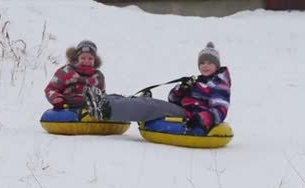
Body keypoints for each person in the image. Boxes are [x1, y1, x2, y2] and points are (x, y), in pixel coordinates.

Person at [84, 42, 231, 135]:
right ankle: (103, 100)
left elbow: (220, 110)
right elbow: (172, 99)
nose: (205, 66)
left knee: (149, 105)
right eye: (202, 63)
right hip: (183, 110)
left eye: (209, 63)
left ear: (216, 65)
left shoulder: (218, 84)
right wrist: (182, 88)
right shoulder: (199, 80)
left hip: (191, 116)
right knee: (141, 101)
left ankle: (105, 108)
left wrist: (200, 120)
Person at [44, 40, 105, 117]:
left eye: (90, 59)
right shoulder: (66, 71)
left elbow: (102, 94)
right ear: (77, 58)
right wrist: (57, 99)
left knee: (98, 97)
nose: (86, 61)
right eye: (83, 58)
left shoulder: (98, 76)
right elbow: (51, 88)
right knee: (88, 98)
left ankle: (96, 112)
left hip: (91, 103)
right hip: (69, 103)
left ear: (94, 60)